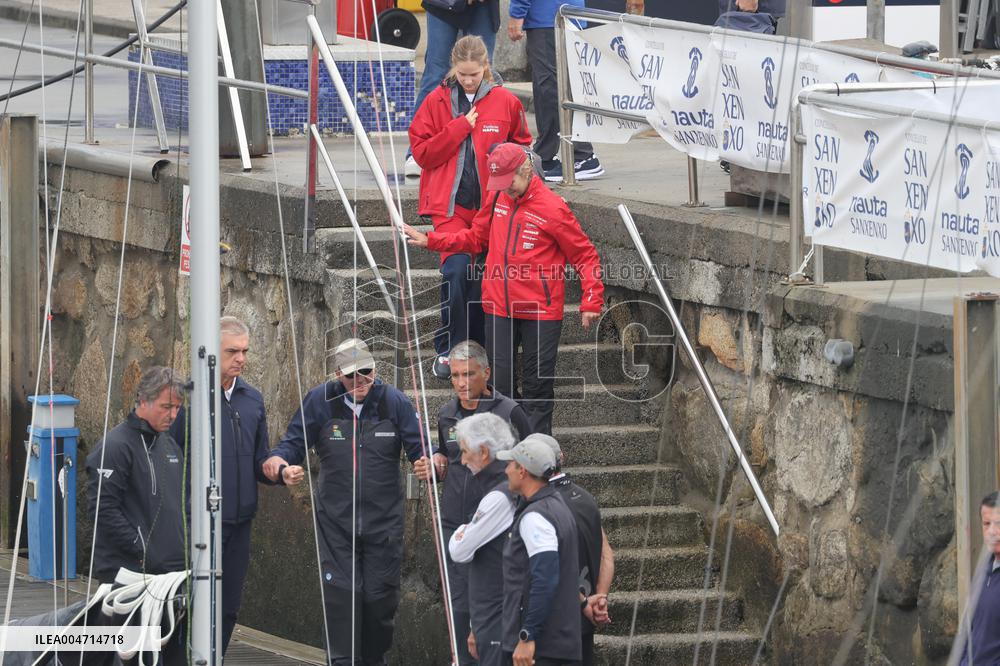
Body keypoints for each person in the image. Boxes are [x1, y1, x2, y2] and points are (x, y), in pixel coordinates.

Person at [404, 142, 605, 435]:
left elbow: (585, 255)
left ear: (526, 170)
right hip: (499, 306)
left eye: (509, 182)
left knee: (537, 387)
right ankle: (507, 451)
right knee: (500, 386)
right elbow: (476, 238)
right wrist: (432, 241)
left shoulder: (553, 207)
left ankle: (538, 457)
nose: (505, 189)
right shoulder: (498, 197)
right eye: (499, 183)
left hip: (540, 310)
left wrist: (591, 300)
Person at [262, 338, 428, 666]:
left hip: (383, 527)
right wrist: (281, 467)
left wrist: (429, 461)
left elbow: (421, 447)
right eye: (352, 375)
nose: (360, 381)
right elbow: (290, 445)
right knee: (342, 599)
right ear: (338, 373)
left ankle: (373, 659)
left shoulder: (394, 402)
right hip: (336, 526)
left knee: (379, 602)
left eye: (366, 372)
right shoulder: (319, 402)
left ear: (375, 369)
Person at [409, 35, 533, 379]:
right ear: (454, 68)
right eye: (462, 74)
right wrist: (460, 127)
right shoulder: (436, 101)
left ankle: (475, 351)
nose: (467, 80)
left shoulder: (506, 101)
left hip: (493, 208)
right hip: (450, 207)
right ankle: (448, 348)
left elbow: (524, 147)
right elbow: (422, 153)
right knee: (457, 272)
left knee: (483, 280)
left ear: (485, 68)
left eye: (474, 75)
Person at [413, 340, 531, 664]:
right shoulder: (447, 413)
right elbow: (447, 454)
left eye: (469, 374)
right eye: (455, 376)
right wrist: (434, 463)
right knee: (459, 607)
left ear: (487, 373)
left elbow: (531, 461)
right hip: (456, 520)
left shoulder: (509, 411)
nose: (462, 383)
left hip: (496, 524)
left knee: (491, 609)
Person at [169, 316, 281, 653]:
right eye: (233, 351)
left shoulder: (252, 400)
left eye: (245, 351)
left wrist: (277, 469)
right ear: (212, 350)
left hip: (239, 522)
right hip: (196, 523)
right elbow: (169, 460)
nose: (241, 359)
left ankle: (213, 658)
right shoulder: (187, 400)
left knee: (229, 606)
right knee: (189, 604)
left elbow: (259, 459)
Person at [86, 366, 187, 584]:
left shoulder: (170, 446)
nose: (173, 415)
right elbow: (103, 510)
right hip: (128, 572)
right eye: (166, 406)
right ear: (143, 401)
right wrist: (141, 547)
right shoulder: (115, 447)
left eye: (178, 408)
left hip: (170, 572)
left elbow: (180, 504)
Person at [497, 438, 581, 666]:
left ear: (522, 471)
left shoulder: (536, 517)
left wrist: (527, 635)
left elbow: (545, 578)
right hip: (560, 643)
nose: (506, 471)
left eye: (510, 465)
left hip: (541, 650)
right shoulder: (558, 505)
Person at [443, 413, 518, 666]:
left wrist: (463, 528)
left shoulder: (498, 495)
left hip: (498, 612)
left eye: (465, 452)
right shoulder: (503, 484)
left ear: (483, 452)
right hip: (496, 611)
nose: (462, 460)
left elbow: (459, 550)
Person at [534, 433, 614, 665]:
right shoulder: (587, 499)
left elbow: (550, 564)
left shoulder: (541, 504)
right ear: (562, 458)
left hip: (552, 621)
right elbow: (606, 554)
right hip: (584, 619)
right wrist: (600, 598)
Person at [506, 0, 603, 182]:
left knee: (549, 87)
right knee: (566, 85)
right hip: (566, 14)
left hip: (547, 16)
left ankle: (549, 156)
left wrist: (517, 13)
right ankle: (580, 154)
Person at [405, 0, 502, 178]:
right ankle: (416, 152)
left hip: (484, 6)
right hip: (443, 5)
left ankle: (489, 148)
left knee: (485, 76)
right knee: (435, 75)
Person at [961, 491, 1000, 665]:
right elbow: (969, 632)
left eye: (998, 523)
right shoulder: (984, 570)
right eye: (986, 524)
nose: (992, 531)